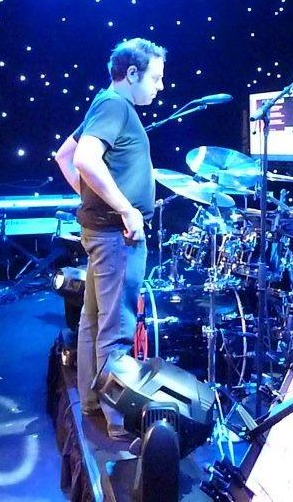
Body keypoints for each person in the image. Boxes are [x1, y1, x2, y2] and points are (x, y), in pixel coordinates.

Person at [55, 38, 165, 440]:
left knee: (93, 320)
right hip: (117, 236)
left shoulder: (105, 103)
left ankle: (91, 401)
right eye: (156, 78)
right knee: (116, 327)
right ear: (132, 74)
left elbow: (64, 156)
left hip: (102, 232)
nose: (160, 87)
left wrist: (94, 198)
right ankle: (118, 422)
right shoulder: (115, 105)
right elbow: (83, 159)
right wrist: (125, 209)